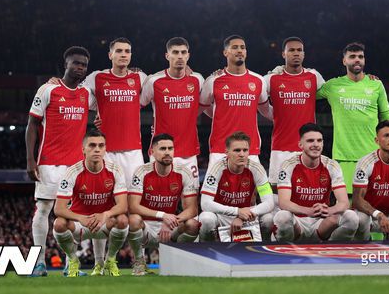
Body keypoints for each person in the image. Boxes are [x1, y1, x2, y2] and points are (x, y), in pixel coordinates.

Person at [25, 46, 95, 276]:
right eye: (76, 63)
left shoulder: (86, 94)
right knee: (44, 208)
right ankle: (39, 263)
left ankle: (70, 266)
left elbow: (110, 97)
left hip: (76, 166)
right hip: (49, 161)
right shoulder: (48, 89)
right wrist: (30, 159)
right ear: (66, 64)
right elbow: (32, 125)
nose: (80, 68)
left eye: (84, 65)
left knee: (70, 214)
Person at [83, 37, 147, 273]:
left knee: (134, 209)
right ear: (110, 55)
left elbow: (163, 82)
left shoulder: (140, 78)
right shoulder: (96, 78)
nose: (123, 54)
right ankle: (99, 263)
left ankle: (139, 261)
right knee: (100, 206)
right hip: (105, 152)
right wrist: (95, 116)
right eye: (119, 51)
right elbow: (78, 95)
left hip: (133, 153)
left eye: (127, 51)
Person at [317, 42, 389, 192]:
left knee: (374, 201)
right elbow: (306, 92)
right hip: (344, 157)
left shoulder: (376, 84)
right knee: (348, 204)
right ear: (344, 61)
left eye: (360, 56)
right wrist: (283, 72)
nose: (357, 59)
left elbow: (386, 119)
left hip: (373, 156)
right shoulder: (333, 86)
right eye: (352, 56)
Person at [53, 129, 129, 277]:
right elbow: (59, 209)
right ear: (83, 149)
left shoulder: (115, 170)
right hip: (80, 224)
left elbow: (123, 206)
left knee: (122, 220)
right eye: (92, 145)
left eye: (101, 146)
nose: (97, 149)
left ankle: (110, 259)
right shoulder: (72, 172)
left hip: (104, 223)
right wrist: (80, 218)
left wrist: (105, 214)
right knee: (59, 223)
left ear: (105, 149)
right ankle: (73, 260)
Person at [127, 134, 199, 275]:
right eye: (162, 149)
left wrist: (171, 220)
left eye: (170, 148)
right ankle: (139, 262)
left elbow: (192, 209)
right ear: (152, 152)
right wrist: (163, 215)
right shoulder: (142, 172)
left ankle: (177, 262)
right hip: (146, 227)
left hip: (171, 228)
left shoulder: (183, 172)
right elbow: (133, 206)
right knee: (133, 220)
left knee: (193, 224)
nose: (167, 152)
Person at [262, 37, 325, 199]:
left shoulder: (314, 76)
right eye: (291, 50)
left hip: (308, 147)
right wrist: (274, 115)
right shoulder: (271, 79)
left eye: (299, 50)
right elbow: (255, 95)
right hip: (280, 147)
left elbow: (334, 90)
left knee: (308, 193)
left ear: (303, 54)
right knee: (276, 195)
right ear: (283, 54)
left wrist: (366, 78)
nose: (296, 53)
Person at [273, 123, 358, 242]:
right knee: (282, 217)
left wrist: (328, 211)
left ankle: (332, 250)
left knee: (351, 217)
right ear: (300, 145)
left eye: (319, 140)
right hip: (297, 221)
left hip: (321, 223)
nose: (316, 145)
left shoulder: (332, 165)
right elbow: (284, 203)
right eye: (310, 141)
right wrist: (309, 211)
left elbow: (344, 203)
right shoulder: (288, 165)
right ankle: (286, 251)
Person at [199, 35, 269, 171]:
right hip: (220, 149)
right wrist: (217, 114)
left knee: (257, 185)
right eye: (235, 47)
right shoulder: (213, 80)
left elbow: (266, 110)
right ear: (225, 52)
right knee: (214, 185)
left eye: (243, 47)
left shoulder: (258, 80)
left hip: (250, 149)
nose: (240, 50)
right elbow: (202, 106)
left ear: (246, 52)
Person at [140, 37, 204, 185]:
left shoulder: (198, 80)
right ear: (167, 56)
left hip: (189, 154)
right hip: (160, 152)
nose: (180, 56)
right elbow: (137, 105)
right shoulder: (154, 81)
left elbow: (205, 104)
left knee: (191, 196)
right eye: (175, 52)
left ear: (188, 55)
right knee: (158, 195)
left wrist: (189, 115)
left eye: (183, 52)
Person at [198, 131, 274, 241]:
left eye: (245, 150)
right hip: (222, 216)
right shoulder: (216, 169)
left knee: (268, 219)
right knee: (206, 219)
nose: (242, 154)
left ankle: (262, 246)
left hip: (248, 216)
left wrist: (242, 216)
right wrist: (237, 212)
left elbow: (269, 203)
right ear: (227, 152)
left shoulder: (257, 169)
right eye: (237, 150)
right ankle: (209, 247)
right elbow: (205, 204)